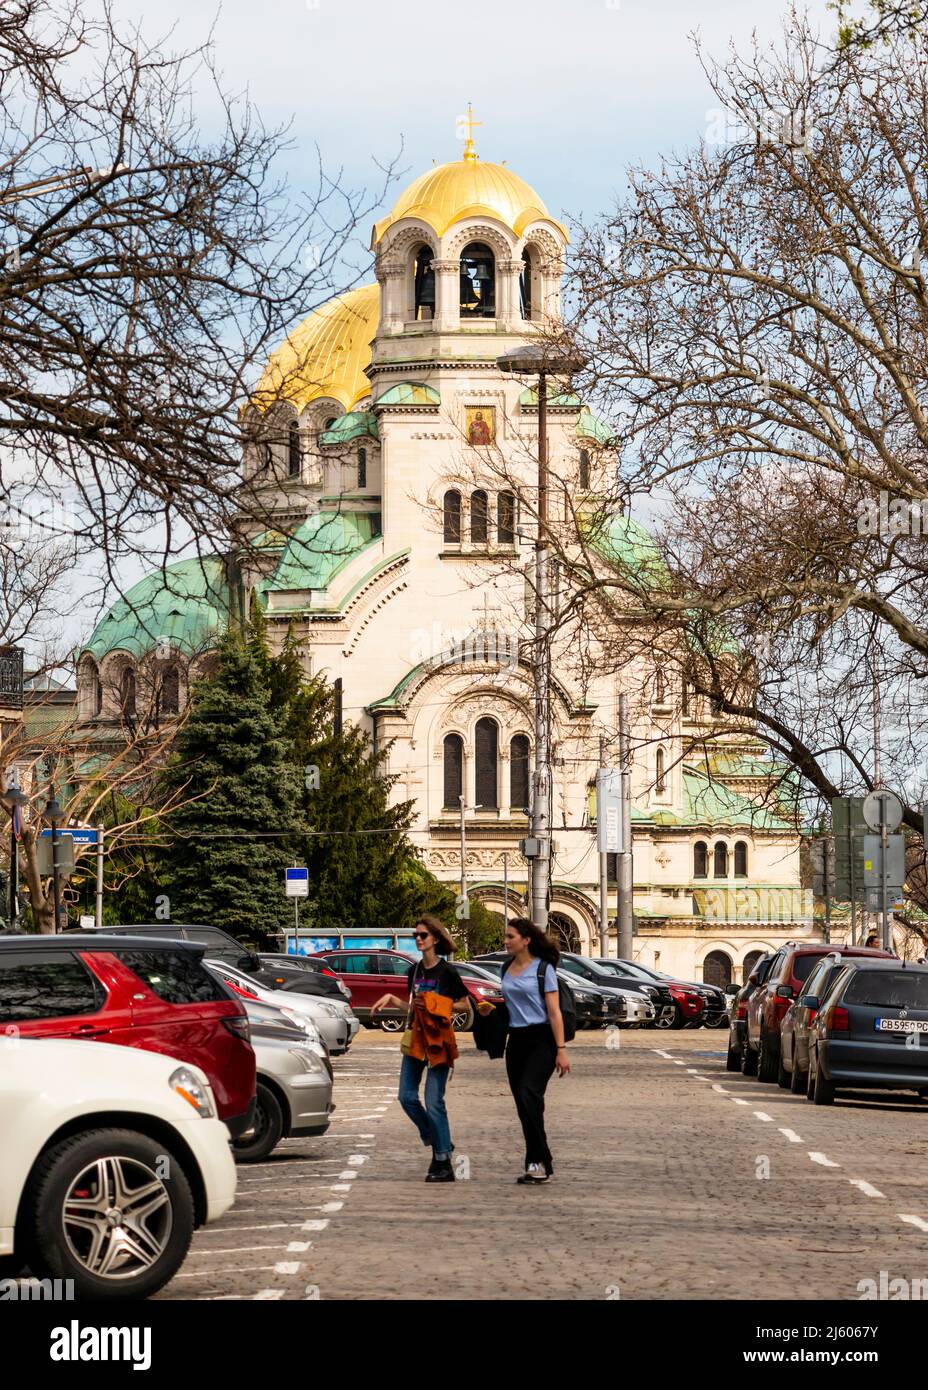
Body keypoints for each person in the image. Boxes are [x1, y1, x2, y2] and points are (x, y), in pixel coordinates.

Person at [371, 915, 493, 1182]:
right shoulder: (413, 971)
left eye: (423, 935)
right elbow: (415, 1007)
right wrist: (393, 999)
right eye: (415, 934)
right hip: (415, 1039)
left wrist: (438, 1002)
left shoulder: (447, 972)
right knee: (406, 1097)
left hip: (438, 1041)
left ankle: (441, 1161)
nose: (418, 939)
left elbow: (464, 1005)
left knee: (434, 1101)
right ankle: (440, 1140)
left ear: (435, 939)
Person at [500, 917, 569, 1185]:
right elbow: (510, 1004)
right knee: (525, 1105)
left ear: (526, 940)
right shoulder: (506, 968)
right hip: (515, 1040)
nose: (506, 941)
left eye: (510, 937)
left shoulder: (543, 969)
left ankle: (542, 1161)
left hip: (542, 1040)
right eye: (505, 937)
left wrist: (561, 1050)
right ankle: (535, 1163)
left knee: (529, 1094)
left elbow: (554, 1013)